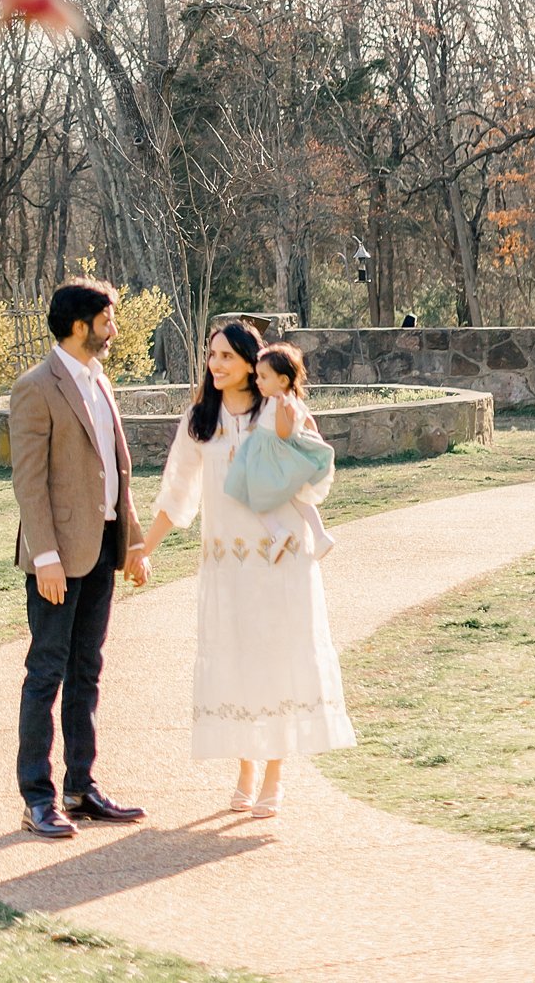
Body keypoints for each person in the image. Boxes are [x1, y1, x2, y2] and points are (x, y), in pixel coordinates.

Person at [130, 320, 354, 826]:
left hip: (282, 559)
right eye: (212, 356)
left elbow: (317, 470)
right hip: (226, 563)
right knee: (237, 662)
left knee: (276, 660)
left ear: (253, 362)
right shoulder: (199, 420)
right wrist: (146, 547)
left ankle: (274, 775)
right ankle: (246, 769)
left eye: (227, 356)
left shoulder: (278, 410)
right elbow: (177, 492)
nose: (216, 365)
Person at [9, 277, 148, 840]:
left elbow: (116, 470)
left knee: (87, 669)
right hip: (57, 558)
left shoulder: (101, 382)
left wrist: (134, 540)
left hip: (102, 549)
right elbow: (29, 481)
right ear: (78, 324)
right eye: (107, 320)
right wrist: (43, 555)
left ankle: (80, 788)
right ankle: (36, 799)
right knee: (46, 672)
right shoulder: (35, 388)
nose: (113, 330)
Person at [225, 343, 337, 560]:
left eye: (263, 377)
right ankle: (320, 535)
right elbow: (309, 422)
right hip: (275, 455)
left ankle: (278, 533)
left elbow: (283, 432)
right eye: (257, 376)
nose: (258, 381)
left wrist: (280, 412)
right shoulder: (289, 400)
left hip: (271, 457)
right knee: (297, 497)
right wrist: (313, 436)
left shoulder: (283, 403)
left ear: (283, 380)